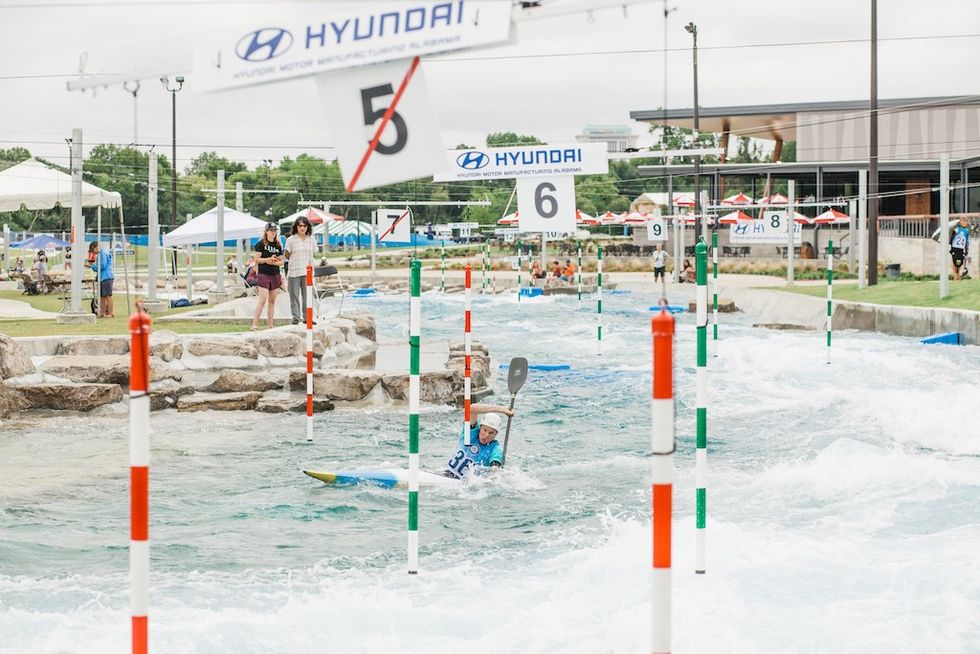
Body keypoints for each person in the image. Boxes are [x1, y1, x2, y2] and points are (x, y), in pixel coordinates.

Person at [444, 403, 515, 479]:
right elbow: (471, 409)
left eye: (491, 433)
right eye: (485, 430)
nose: (486, 435)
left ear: (495, 435)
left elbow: (495, 470)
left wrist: (495, 473)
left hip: (464, 484)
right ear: (480, 427)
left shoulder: (496, 449)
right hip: (446, 473)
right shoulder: (470, 433)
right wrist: (501, 409)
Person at [284, 216, 319, 325]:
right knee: (294, 295)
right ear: (296, 227)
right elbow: (287, 254)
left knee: (308, 295)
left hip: (308, 271)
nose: (302, 227)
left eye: (305, 225)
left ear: (307, 227)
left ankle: (307, 317)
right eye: (300, 225)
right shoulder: (291, 239)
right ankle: (296, 317)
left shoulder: (311, 239)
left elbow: (314, 252)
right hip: (294, 270)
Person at [250, 222, 285, 330]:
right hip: (264, 274)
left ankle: (270, 325)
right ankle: (254, 325)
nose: (273, 233)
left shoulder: (278, 245)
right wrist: (267, 260)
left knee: (272, 301)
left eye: (274, 230)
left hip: (275, 274)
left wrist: (274, 261)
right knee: (262, 299)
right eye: (271, 230)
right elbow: (256, 259)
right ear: (266, 231)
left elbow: (282, 261)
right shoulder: (261, 244)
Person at [89, 241, 114, 318]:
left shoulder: (102, 253)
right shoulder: (103, 253)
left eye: (92, 250)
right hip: (103, 277)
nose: (93, 252)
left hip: (106, 277)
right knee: (102, 296)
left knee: (107, 296)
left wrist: (92, 266)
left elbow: (102, 266)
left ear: (95, 247)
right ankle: (102, 313)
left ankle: (111, 313)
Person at [950, 215, 971, 281]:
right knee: (954, 261)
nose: (963, 222)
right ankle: (955, 276)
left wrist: (967, 249)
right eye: (962, 220)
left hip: (961, 248)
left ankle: (958, 274)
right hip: (955, 247)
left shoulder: (966, 231)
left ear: (966, 222)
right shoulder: (956, 228)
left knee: (959, 262)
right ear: (960, 221)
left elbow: (966, 241)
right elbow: (951, 235)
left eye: (965, 221)